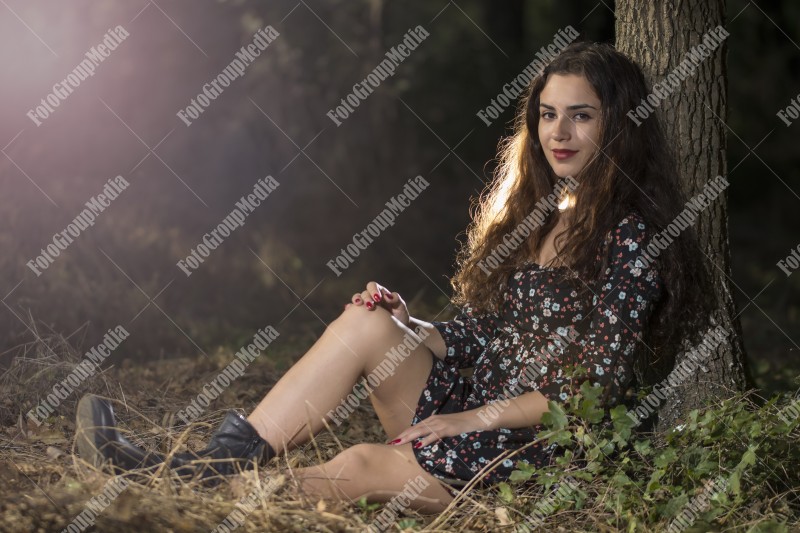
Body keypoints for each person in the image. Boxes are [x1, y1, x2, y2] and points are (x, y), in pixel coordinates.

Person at [76, 41, 717, 515]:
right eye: (548, 115)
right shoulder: (542, 215)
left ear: (619, 123)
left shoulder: (631, 237)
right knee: (367, 321)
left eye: (581, 115)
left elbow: (593, 392)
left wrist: (469, 421)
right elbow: (483, 338)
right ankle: (213, 463)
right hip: (474, 410)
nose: (559, 132)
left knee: (357, 464)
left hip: (541, 450)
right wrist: (413, 326)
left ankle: (186, 500)